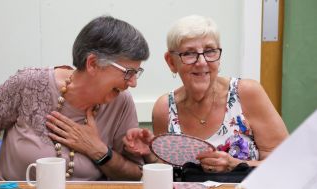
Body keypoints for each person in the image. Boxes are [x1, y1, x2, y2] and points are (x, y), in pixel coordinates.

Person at [0, 15, 149, 188]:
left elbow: (133, 175)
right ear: (93, 63)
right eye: (128, 73)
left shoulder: (121, 103)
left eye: (136, 73)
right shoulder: (28, 84)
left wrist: (99, 151)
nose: (133, 83)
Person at [123, 15, 289, 174]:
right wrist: (148, 154)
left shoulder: (246, 93)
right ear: (171, 62)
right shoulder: (165, 108)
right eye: (189, 53)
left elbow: (286, 161)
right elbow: (168, 170)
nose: (201, 62)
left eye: (210, 51)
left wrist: (236, 165)